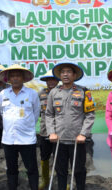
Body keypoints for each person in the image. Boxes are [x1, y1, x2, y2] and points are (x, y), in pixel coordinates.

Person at [45, 62, 95, 190]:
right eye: (62, 72)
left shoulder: (84, 91)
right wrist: (51, 132)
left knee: (79, 170)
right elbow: (49, 114)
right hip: (58, 140)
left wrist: (83, 134)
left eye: (68, 72)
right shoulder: (53, 92)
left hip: (77, 140)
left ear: (74, 75)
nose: (65, 74)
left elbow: (90, 115)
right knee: (60, 171)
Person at [0, 64, 40, 190]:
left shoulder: (32, 93)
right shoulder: (3, 93)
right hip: (8, 139)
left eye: (18, 76)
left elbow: (36, 113)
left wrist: (25, 126)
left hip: (27, 139)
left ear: (23, 78)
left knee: (31, 168)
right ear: (9, 79)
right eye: (12, 76)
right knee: (11, 169)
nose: (15, 78)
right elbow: (2, 112)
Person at [38, 69, 59, 190]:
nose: (50, 81)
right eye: (48, 79)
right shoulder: (40, 94)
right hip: (45, 131)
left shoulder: (63, 91)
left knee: (60, 157)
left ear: (58, 80)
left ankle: (61, 179)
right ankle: (45, 180)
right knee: (44, 156)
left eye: (53, 79)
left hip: (60, 131)